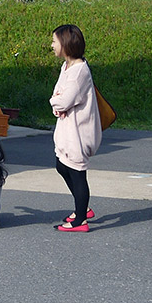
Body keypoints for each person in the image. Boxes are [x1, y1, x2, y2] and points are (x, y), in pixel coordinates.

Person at [49, 24, 101, 232]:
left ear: (66, 44)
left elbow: (63, 100)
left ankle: (81, 220)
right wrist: (57, 102)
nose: (52, 45)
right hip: (68, 129)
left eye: (54, 41)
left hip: (79, 133)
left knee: (77, 172)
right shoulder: (67, 66)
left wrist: (57, 103)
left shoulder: (79, 71)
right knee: (62, 165)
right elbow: (58, 95)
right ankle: (83, 208)